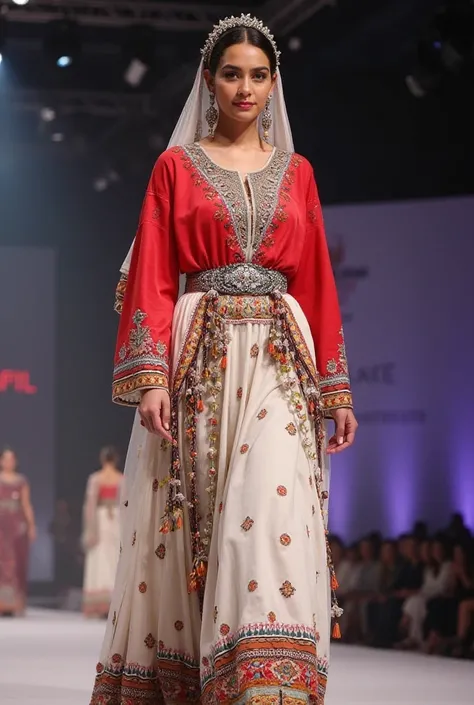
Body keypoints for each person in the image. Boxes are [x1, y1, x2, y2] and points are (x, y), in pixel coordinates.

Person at [90, 14, 357, 705]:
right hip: (201, 352)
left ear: (274, 86)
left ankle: (265, 686)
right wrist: (150, 377)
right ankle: (193, 677)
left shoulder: (298, 173)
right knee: (198, 520)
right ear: (210, 81)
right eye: (232, 73)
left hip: (278, 351)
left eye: (259, 75)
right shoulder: (175, 167)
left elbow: (318, 280)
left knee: (266, 509)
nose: (245, 87)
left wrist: (337, 390)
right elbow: (152, 267)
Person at [82, 446, 122, 618]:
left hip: (101, 518)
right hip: (116, 519)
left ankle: (99, 603)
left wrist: (90, 530)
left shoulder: (96, 478)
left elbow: (90, 505)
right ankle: (114, 600)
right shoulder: (121, 478)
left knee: (100, 557)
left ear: (102, 459)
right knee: (114, 557)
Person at [0, 447, 36, 616]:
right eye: (6, 459)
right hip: (1, 525)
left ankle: (15, 603)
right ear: (1, 462)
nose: (9, 462)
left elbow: (26, 504)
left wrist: (31, 525)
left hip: (16, 525)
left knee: (17, 562)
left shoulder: (21, 481)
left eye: (12, 459)